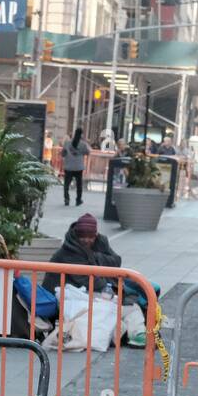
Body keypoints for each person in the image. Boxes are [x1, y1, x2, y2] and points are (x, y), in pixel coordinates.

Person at [39, 213, 151, 348]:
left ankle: (136, 334)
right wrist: (112, 292)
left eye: (90, 237)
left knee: (129, 304)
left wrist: (95, 257)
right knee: (126, 306)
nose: (87, 240)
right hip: (70, 295)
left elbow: (116, 261)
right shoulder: (69, 251)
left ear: (96, 234)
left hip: (85, 292)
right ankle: (133, 333)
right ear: (77, 234)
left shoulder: (100, 243)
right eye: (83, 237)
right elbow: (87, 280)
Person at [61, 127, 90, 206]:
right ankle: (78, 200)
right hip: (78, 167)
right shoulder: (83, 144)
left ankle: (66, 199)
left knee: (66, 184)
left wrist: (68, 154)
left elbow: (63, 153)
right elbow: (88, 152)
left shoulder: (67, 143)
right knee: (79, 185)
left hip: (68, 166)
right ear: (81, 135)